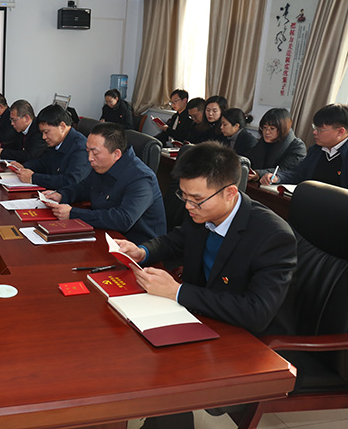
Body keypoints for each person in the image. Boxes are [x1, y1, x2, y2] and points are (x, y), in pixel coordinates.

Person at [117, 141, 297, 429]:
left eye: (196, 200)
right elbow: (176, 240)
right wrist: (143, 251)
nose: (188, 206)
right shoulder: (201, 213)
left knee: (165, 371)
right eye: (183, 196)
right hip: (201, 314)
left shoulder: (272, 236)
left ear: (230, 192)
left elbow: (257, 313)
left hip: (244, 336)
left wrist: (177, 291)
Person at [43, 123, 166, 243]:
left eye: (95, 153)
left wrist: (73, 213)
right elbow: (84, 187)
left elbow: (123, 219)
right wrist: (61, 195)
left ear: (116, 154)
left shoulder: (141, 178)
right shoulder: (103, 165)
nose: (89, 158)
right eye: (88, 151)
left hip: (135, 246)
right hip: (105, 233)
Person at [262, 104, 348, 188]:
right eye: (315, 128)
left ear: (340, 132)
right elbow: (299, 173)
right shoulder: (316, 149)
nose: (314, 132)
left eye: (320, 129)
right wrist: (278, 177)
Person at [11, 104, 90, 189]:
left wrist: (33, 178)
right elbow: (43, 162)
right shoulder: (57, 141)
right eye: (42, 133)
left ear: (62, 127)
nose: (43, 137)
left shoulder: (81, 148)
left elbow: (70, 181)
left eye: (46, 132)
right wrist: (24, 167)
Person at [246, 108, 306, 182]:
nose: (267, 132)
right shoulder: (263, 141)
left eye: (272, 128)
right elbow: (249, 158)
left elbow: (284, 170)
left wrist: (258, 174)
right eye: (265, 127)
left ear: (283, 129)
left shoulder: (297, 147)